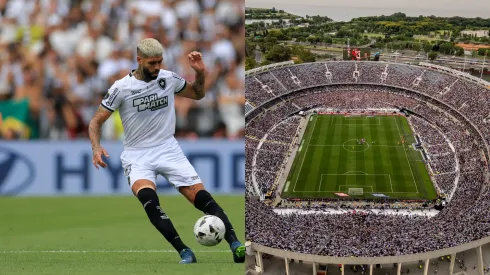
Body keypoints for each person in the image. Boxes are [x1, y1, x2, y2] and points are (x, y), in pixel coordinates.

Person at [88, 38, 245, 264]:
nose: (157, 68)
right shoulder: (121, 88)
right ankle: (184, 251)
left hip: (168, 148)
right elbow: (95, 121)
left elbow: (197, 94)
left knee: (201, 198)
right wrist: (96, 147)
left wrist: (200, 73)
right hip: (137, 155)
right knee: (150, 201)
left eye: (160, 62)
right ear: (139, 60)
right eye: (152, 63)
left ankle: (235, 244)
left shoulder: (168, 78)